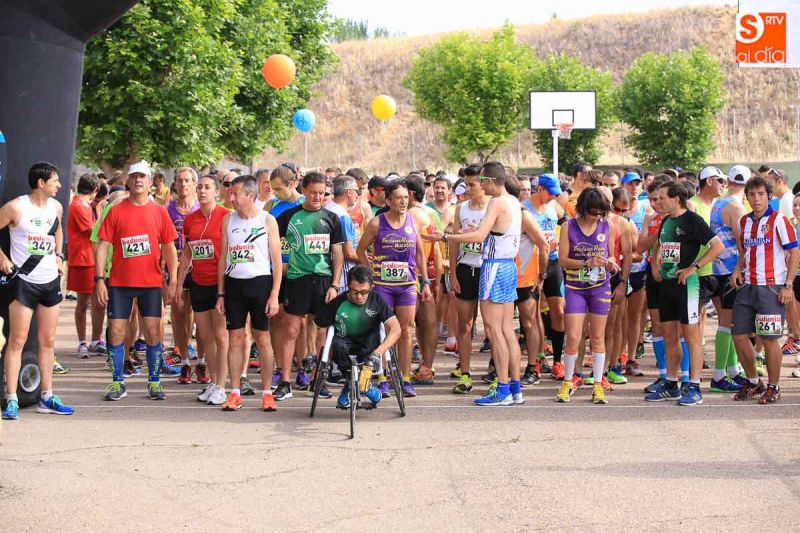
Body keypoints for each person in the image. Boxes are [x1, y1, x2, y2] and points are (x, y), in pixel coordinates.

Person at [429, 162, 523, 406]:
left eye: (482, 181)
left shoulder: (497, 201)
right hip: (508, 265)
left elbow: (479, 236)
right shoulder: (513, 200)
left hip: (493, 266)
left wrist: (446, 236)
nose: (480, 185)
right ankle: (514, 386)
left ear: (491, 181)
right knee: (506, 331)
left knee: (494, 331)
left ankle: (503, 389)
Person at [95, 161, 179, 402]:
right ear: (128, 182)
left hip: (151, 284)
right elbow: (103, 245)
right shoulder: (116, 210)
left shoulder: (159, 212)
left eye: (143, 176)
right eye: (134, 177)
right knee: (116, 333)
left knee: (153, 332)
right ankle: (117, 382)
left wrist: (172, 279)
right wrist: (100, 279)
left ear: (151, 182)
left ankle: (154, 383)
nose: (138, 180)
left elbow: (170, 246)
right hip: (120, 283)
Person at [0, 162, 74, 420]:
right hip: (24, 282)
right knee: (17, 341)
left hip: (49, 281)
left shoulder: (56, 207)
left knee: (48, 341)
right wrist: (2, 258)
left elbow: (58, 230)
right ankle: (11, 399)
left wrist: (60, 256)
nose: (60, 186)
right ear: (41, 183)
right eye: (55, 181)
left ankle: (47, 396)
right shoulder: (16, 207)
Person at [645, 181, 723, 406]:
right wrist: (655, 263)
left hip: (687, 286)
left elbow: (717, 246)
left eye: (662, 198)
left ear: (676, 198)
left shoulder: (692, 220)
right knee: (670, 336)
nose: (658, 202)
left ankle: (695, 386)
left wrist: (694, 267)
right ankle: (670, 383)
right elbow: (660, 244)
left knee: (691, 337)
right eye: (656, 199)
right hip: (666, 286)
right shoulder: (667, 221)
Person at [357, 181, 431, 398]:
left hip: (407, 285)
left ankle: (405, 378)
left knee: (407, 329)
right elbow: (361, 250)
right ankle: (381, 377)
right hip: (383, 286)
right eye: (399, 198)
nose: (403, 202)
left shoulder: (413, 220)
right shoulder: (376, 223)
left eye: (406, 198)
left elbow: (419, 254)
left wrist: (425, 283)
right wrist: (371, 275)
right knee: (382, 330)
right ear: (388, 201)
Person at [275, 172, 344, 401]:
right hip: (297, 280)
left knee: (321, 333)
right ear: (303, 190)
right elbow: (273, 245)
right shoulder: (289, 216)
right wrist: (281, 267)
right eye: (313, 192)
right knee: (292, 330)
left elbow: (337, 254)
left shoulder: (332, 218)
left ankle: (318, 380)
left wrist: (335, 284)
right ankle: (285, 382)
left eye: (322, 193)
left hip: (324, 282)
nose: (317, 197)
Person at [730, 176, 799, 403]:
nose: (756, 199)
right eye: (752, 194)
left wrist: (788, 285)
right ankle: (753, 383)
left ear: (769, 196)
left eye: (761, 194)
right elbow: (744, 252)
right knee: (739, 335)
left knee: (769, 339)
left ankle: (774, 386)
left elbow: (794, 253)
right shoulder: (744, 222)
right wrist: (737, 269)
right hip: (747, 286)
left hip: (771, 287)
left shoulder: (779, 220)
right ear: (747, 196)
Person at [217, 175, 282, 411]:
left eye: (235, 194)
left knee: (262, 338)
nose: (231, 197)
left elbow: (276, 261)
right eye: (230, 193)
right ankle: (234, 392)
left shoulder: (267, 220)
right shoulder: (227, 221)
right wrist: (221, 294)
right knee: (235, 338)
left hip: (260, 284)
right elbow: (223, 258)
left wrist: (274, 294)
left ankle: (267, 392)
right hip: (234, 285)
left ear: (250, 196)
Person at [556, 187, 624, 404]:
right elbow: (563, 260)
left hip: (600, 286)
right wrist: (587, 262)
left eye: (601, 212)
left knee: (597, 336)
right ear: (583, 209)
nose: (597, 217)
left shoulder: (608, 226)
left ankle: (597, 384)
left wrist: (612, 264)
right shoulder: (568, 226)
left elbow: (612, 255)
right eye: (594, 212)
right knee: (574, 336)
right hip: (575, 287)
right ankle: (567, 381)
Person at [314, 266, 402, 408]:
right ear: (348, 287)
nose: (359, 296)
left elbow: (396, 329)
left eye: (364, 292)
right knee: (338, 345)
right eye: (354, 292)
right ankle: (351, 383)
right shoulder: (338, 302)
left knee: (372, 340)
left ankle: (363, 383)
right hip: (344, 340)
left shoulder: (376, 300)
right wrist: (317, 354)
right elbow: (318, 326)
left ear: (371, 288)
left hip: (369, 342)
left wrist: (378, 352)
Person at [178, 174, 229, 405]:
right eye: (199, 187)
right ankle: (213, 381)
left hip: (220, 284)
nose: (202, 191)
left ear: (216, 192)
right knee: (205, 335)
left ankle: (222, 384)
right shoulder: (191, 219)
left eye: (207, 187)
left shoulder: (226, 217)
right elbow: (187, 253)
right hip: (198, 282)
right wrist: (178, 284)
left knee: (221, 335)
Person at [706, 166, 748, 392]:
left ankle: (732, 370)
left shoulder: (719, 202)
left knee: (727, 322)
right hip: (730, 272)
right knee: (727, 323)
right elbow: (742, 241)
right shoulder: (735, 206)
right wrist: (740, 268)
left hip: (718, 269)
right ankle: (719, 374)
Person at [448, 165, 488, 394]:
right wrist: (453, 274)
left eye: (472, 184)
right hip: (466, 269)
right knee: (465, 324)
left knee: (492, 326)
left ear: (483, 184)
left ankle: (496, 370)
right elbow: (453, 241)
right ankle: (465, 374)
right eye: (466, 184)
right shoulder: (461, 208)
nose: (468, 188)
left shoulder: (494, 206)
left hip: (488, 268)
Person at [525, 174, 567, 378]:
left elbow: (566, 222)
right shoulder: (524, 208)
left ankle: (558, 361)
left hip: (553, 263)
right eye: (551, 193)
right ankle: (538, 358)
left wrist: (561, 240)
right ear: (539, 189)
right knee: (532, 315)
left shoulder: (554, 206)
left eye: (556, 194)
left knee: (558, 311)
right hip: (531, 266)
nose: (553, 197)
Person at [67, 172, 106, 358]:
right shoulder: (78, 206)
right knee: (83, 303)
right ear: (94, 190)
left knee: (99, 302)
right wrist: (100, 212)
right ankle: (83, 341)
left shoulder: (85, 205)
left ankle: (96, 340)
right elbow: (95, 230)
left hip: (92, 258)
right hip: (83, 259)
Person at [167, 167, 200, 380]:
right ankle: (181, 352)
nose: (183, 184)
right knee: (178, 308)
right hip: (176, 265)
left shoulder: (200, 208)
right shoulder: (168, 209)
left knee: (197, 313)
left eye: (187, 180)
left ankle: (196, 354)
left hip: (199, 267)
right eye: (180, 180)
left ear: (194, 184)